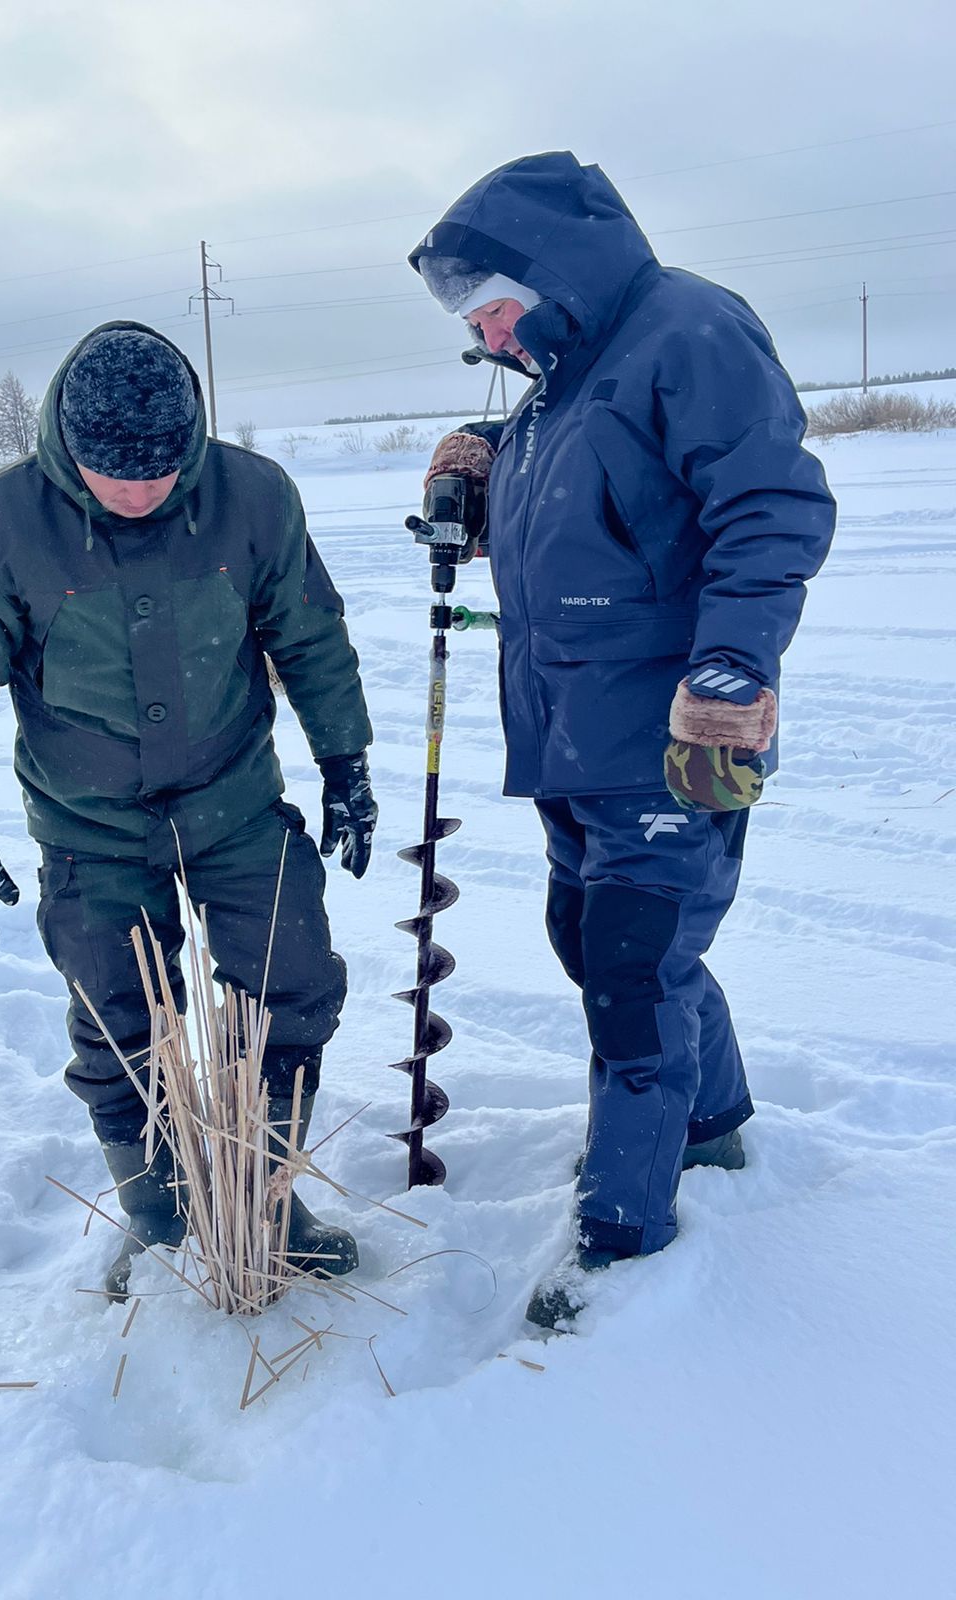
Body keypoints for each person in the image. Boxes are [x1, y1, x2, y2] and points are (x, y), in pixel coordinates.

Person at [409, 153, 836, 1330]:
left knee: (633, 979)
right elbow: (597, 533)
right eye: (472, 319)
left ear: (551, 270)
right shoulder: (556, 386)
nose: (487, 333)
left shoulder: (685, 332)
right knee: (592, 941)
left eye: (492, 302)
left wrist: (732, 666)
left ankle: (622, 1243)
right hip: (573, 740)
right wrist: (477, 481)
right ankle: (713, 1123)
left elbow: (771, 506)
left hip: (671, 738)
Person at [0, 320, 377, 1298]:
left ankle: (267, 1202)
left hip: (235, 804)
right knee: (121, 1022)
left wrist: (346, 760)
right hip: (91, 828)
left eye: (162, 471)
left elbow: (311, 636)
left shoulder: (253, 498)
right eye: (113, 474)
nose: (140, 493)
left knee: (291, 981)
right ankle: (161, 1218)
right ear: (66, 447)